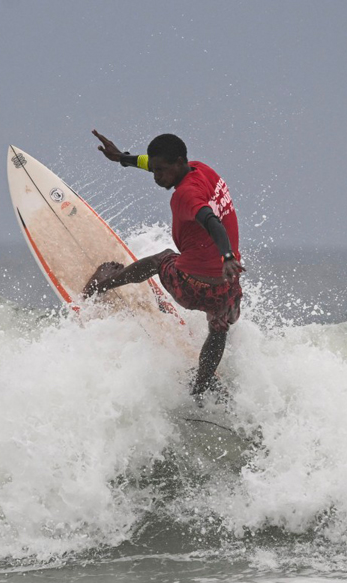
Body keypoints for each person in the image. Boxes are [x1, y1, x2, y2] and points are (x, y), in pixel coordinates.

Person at [83, 130, 245, 399]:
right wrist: (122, 158)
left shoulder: (186, 194)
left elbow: (211, 221)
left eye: (161, 170)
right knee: (218, 326)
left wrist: (226, 255)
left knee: (163, 258)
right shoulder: (202, 170)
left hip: (193, 287)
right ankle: (200, 386)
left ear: (180, 163)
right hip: (228, 288)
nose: (156, 176)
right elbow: (152, 162)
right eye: (154, 169)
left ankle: (106, 283)